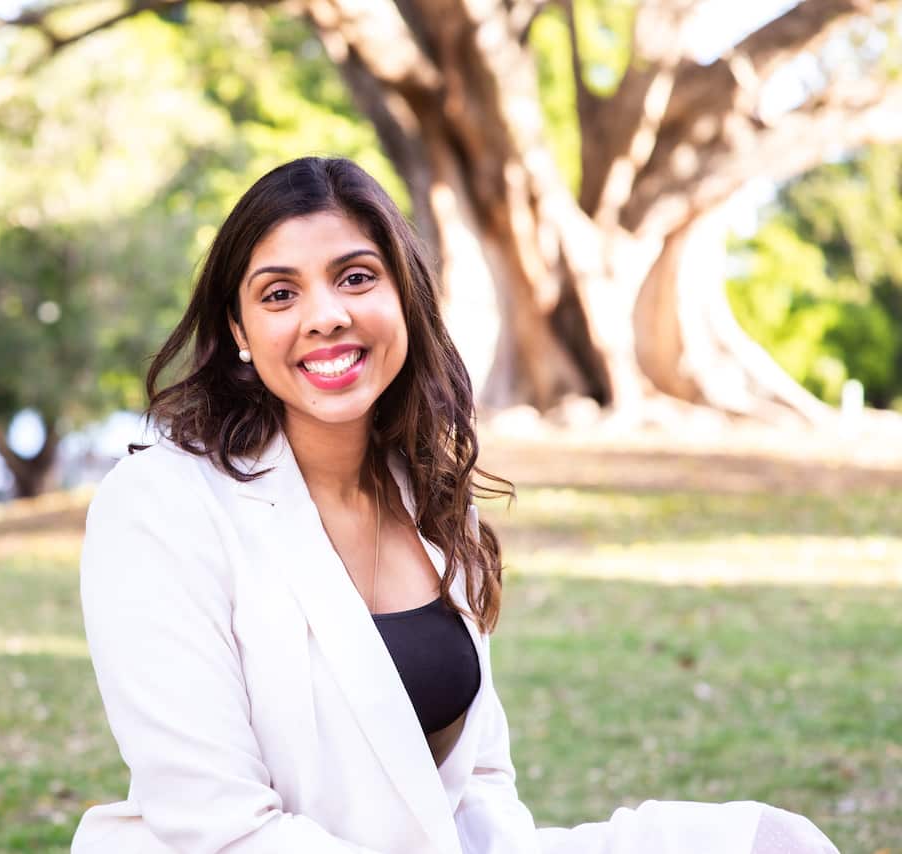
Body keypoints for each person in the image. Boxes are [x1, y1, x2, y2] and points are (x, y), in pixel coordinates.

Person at [72, 156, 839, 854]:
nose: (326, 314)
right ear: (239, 331)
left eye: (356, 277)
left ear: (403, 294)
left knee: (775, 842)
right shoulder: (160, 506)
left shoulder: (431, 494)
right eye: (280, 294)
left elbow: (481, 787)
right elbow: (219, 827)